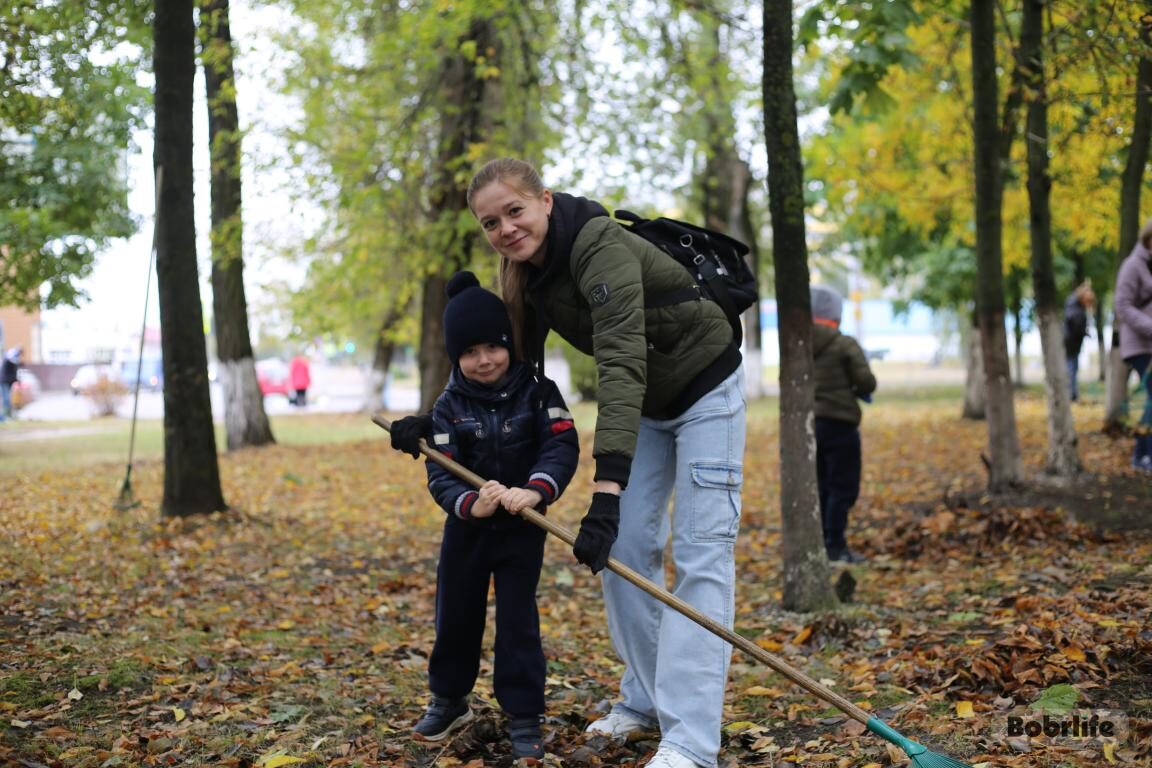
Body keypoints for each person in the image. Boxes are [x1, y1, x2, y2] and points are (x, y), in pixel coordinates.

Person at [416, 157, 745, 768]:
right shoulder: (523, 274)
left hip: (705, 390)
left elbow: (620, 365)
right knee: (623, 551)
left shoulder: (598, 246)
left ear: (544, 199)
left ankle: (692, 742)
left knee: (701, 553)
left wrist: (607, 490)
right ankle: (646, 700)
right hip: (647, 401)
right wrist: (430, 422)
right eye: (491, 223)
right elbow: (500, 368)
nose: (506, 229)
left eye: (514, 211)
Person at [408, 271, 579, 761]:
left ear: (508, 342)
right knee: (456, 616)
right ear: (455, 357)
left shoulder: (539, 392)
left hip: (522, 529)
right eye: (469, 352)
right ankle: (449, 699)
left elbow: (561, 446)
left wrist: (534, 491)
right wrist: (470, 503)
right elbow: (440, 474)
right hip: (468, 531)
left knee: (518, 623)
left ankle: (524, 713)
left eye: (492, 348)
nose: (483, 361)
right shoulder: (447, 407)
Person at [810, 286, 877, 563]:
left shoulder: (797, 342)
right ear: (835, 314)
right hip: (841, 424)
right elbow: (867, 382)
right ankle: (835, 546)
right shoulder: (845, 344)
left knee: (821, 485)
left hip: (810, 425)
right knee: (843, 487)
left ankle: (821, 545)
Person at [1114, 221, 1152, 471]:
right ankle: (1143, 455)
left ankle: (1142, 455)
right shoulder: (1133, 265)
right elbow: (1123, 305)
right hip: (1139, 344)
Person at [1062, 281, 1095, 402]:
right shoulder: (1074, 308)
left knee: (1073, 368)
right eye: (1087, 301)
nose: (1088, 304)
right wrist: (1083, 331)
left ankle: (1073, 393)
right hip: (1070, 343)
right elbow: (1075, 324)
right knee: (1071, 369)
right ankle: (1071, 394)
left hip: (1073, 342)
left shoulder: (1074, 305)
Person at [1, 347, 21, 421]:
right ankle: (6, 415)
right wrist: (16, 380)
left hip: (8, 382)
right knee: (6, 399)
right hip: (4, 382)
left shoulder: (13, 362)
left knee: (8, 399)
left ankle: (9, 415)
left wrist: (17, 380)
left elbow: (13, 374)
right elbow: (8, 375)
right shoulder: (9, 361)